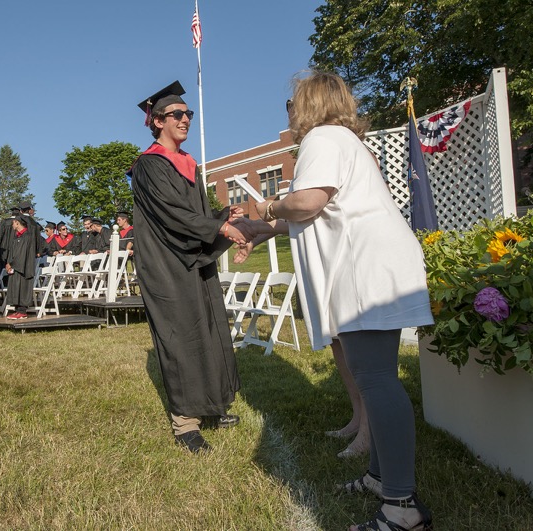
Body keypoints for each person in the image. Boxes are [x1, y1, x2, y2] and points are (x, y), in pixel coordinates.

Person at [234, 71, 434, 531]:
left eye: (294, 101)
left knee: (378, 380)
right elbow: (318, 213)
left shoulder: (322, 137)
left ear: (310, 104)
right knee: (375, 376)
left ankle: (401, 507)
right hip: (380, 261)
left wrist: (266, 207)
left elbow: (305, 203)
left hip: (367, 267)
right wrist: (264, 228)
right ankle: (381, 478)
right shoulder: (349, 142)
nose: (291, 111)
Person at [128, 80, 247, 453]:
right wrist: (219, 227)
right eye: (177, 114)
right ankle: (185, 422)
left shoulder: (188, 163)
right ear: (157, 121)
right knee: (180, 335)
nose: (185, 119)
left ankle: (211, 403)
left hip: (192, 257)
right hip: (166, 262)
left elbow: (193, 214)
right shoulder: (149, 165)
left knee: (207, 329)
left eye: (188, 114)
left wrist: (223, 215)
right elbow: (172, 214)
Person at [4, 215, 39, 319]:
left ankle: (22, 311)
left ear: (17, 222)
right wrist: (8, 262)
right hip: (16, 266)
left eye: (13, 223)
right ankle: (17, 310)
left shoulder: (27, 236)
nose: (12, 225)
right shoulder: (18, 236)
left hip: (23, 267)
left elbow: (21, 254)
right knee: (15, 288)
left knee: (22, 288)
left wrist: (11, 263)